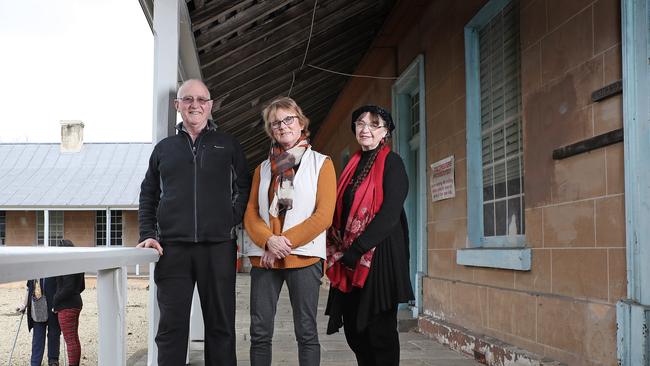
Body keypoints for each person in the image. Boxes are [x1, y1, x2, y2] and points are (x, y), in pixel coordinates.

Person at [137, 78, 250, 366]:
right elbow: (148, 193)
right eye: (188, 99)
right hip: (172, 250)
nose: (195, 105)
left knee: (221, 326)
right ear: (178, 106)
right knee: (171, 328)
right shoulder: (164, 149)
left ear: (210, 106)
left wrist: (229, 219)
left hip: (219, 248)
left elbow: (244, 188)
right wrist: (148, 233)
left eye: (201, 99)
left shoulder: (229, 145)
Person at [243, 97, 336, 366]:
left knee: (306, 331)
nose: (282, 126)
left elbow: (323, 215)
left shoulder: (322, 163)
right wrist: (269, 240)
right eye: (275, 123)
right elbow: (251, 212)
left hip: (304, 258)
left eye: (288, 119)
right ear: (271, 130)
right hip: (265, 258)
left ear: (301, 122)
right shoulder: (262, 169)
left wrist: (285, 242)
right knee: (259, 332)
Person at [325, 105, 414, 366]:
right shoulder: (352, 165)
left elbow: (389, 214)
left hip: (379, 258)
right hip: (350, 258)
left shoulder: (392, 163)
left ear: (385, 132)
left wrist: (357, 248)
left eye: (374, 124)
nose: (366, 129)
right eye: (361, 123)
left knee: (379, 333)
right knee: (355, 331)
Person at [53, 239, 85, 366]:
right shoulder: (78, 264)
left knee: (70, 341)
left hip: (66, 307)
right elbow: (81, 287)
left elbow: (68, 288)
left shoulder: (66, 264)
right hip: (76, 303)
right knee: (74, 339)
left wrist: (55, 300)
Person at [17, 277, 61, 366]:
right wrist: (24, 304)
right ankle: (35, 362)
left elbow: (61, 287)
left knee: (54, 333)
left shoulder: (55, 269)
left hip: (53, 306)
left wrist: (60, 304)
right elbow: (29, 288)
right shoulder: (34, 269)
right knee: (38, 336)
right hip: (37, 305)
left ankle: (53, 361)